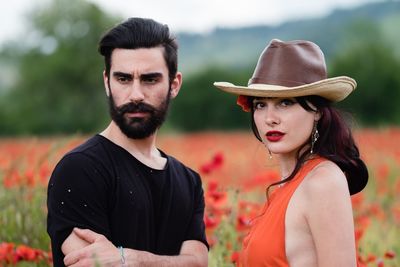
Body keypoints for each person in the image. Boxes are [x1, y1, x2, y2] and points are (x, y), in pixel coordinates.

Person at [47, 17, 208, 267]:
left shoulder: (188, 180)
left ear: (174, 85)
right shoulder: (80, 170)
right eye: (123, 79)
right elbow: (93, 264)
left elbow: (198, 262)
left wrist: (128, 258)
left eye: (149, 79)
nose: (135, 95)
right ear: (107, 83)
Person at [214, 39, 368, 266]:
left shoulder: (323, 181)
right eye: (260, 104)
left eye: (285, 103)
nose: (270, 118)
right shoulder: (287, 186)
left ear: (316, 110)